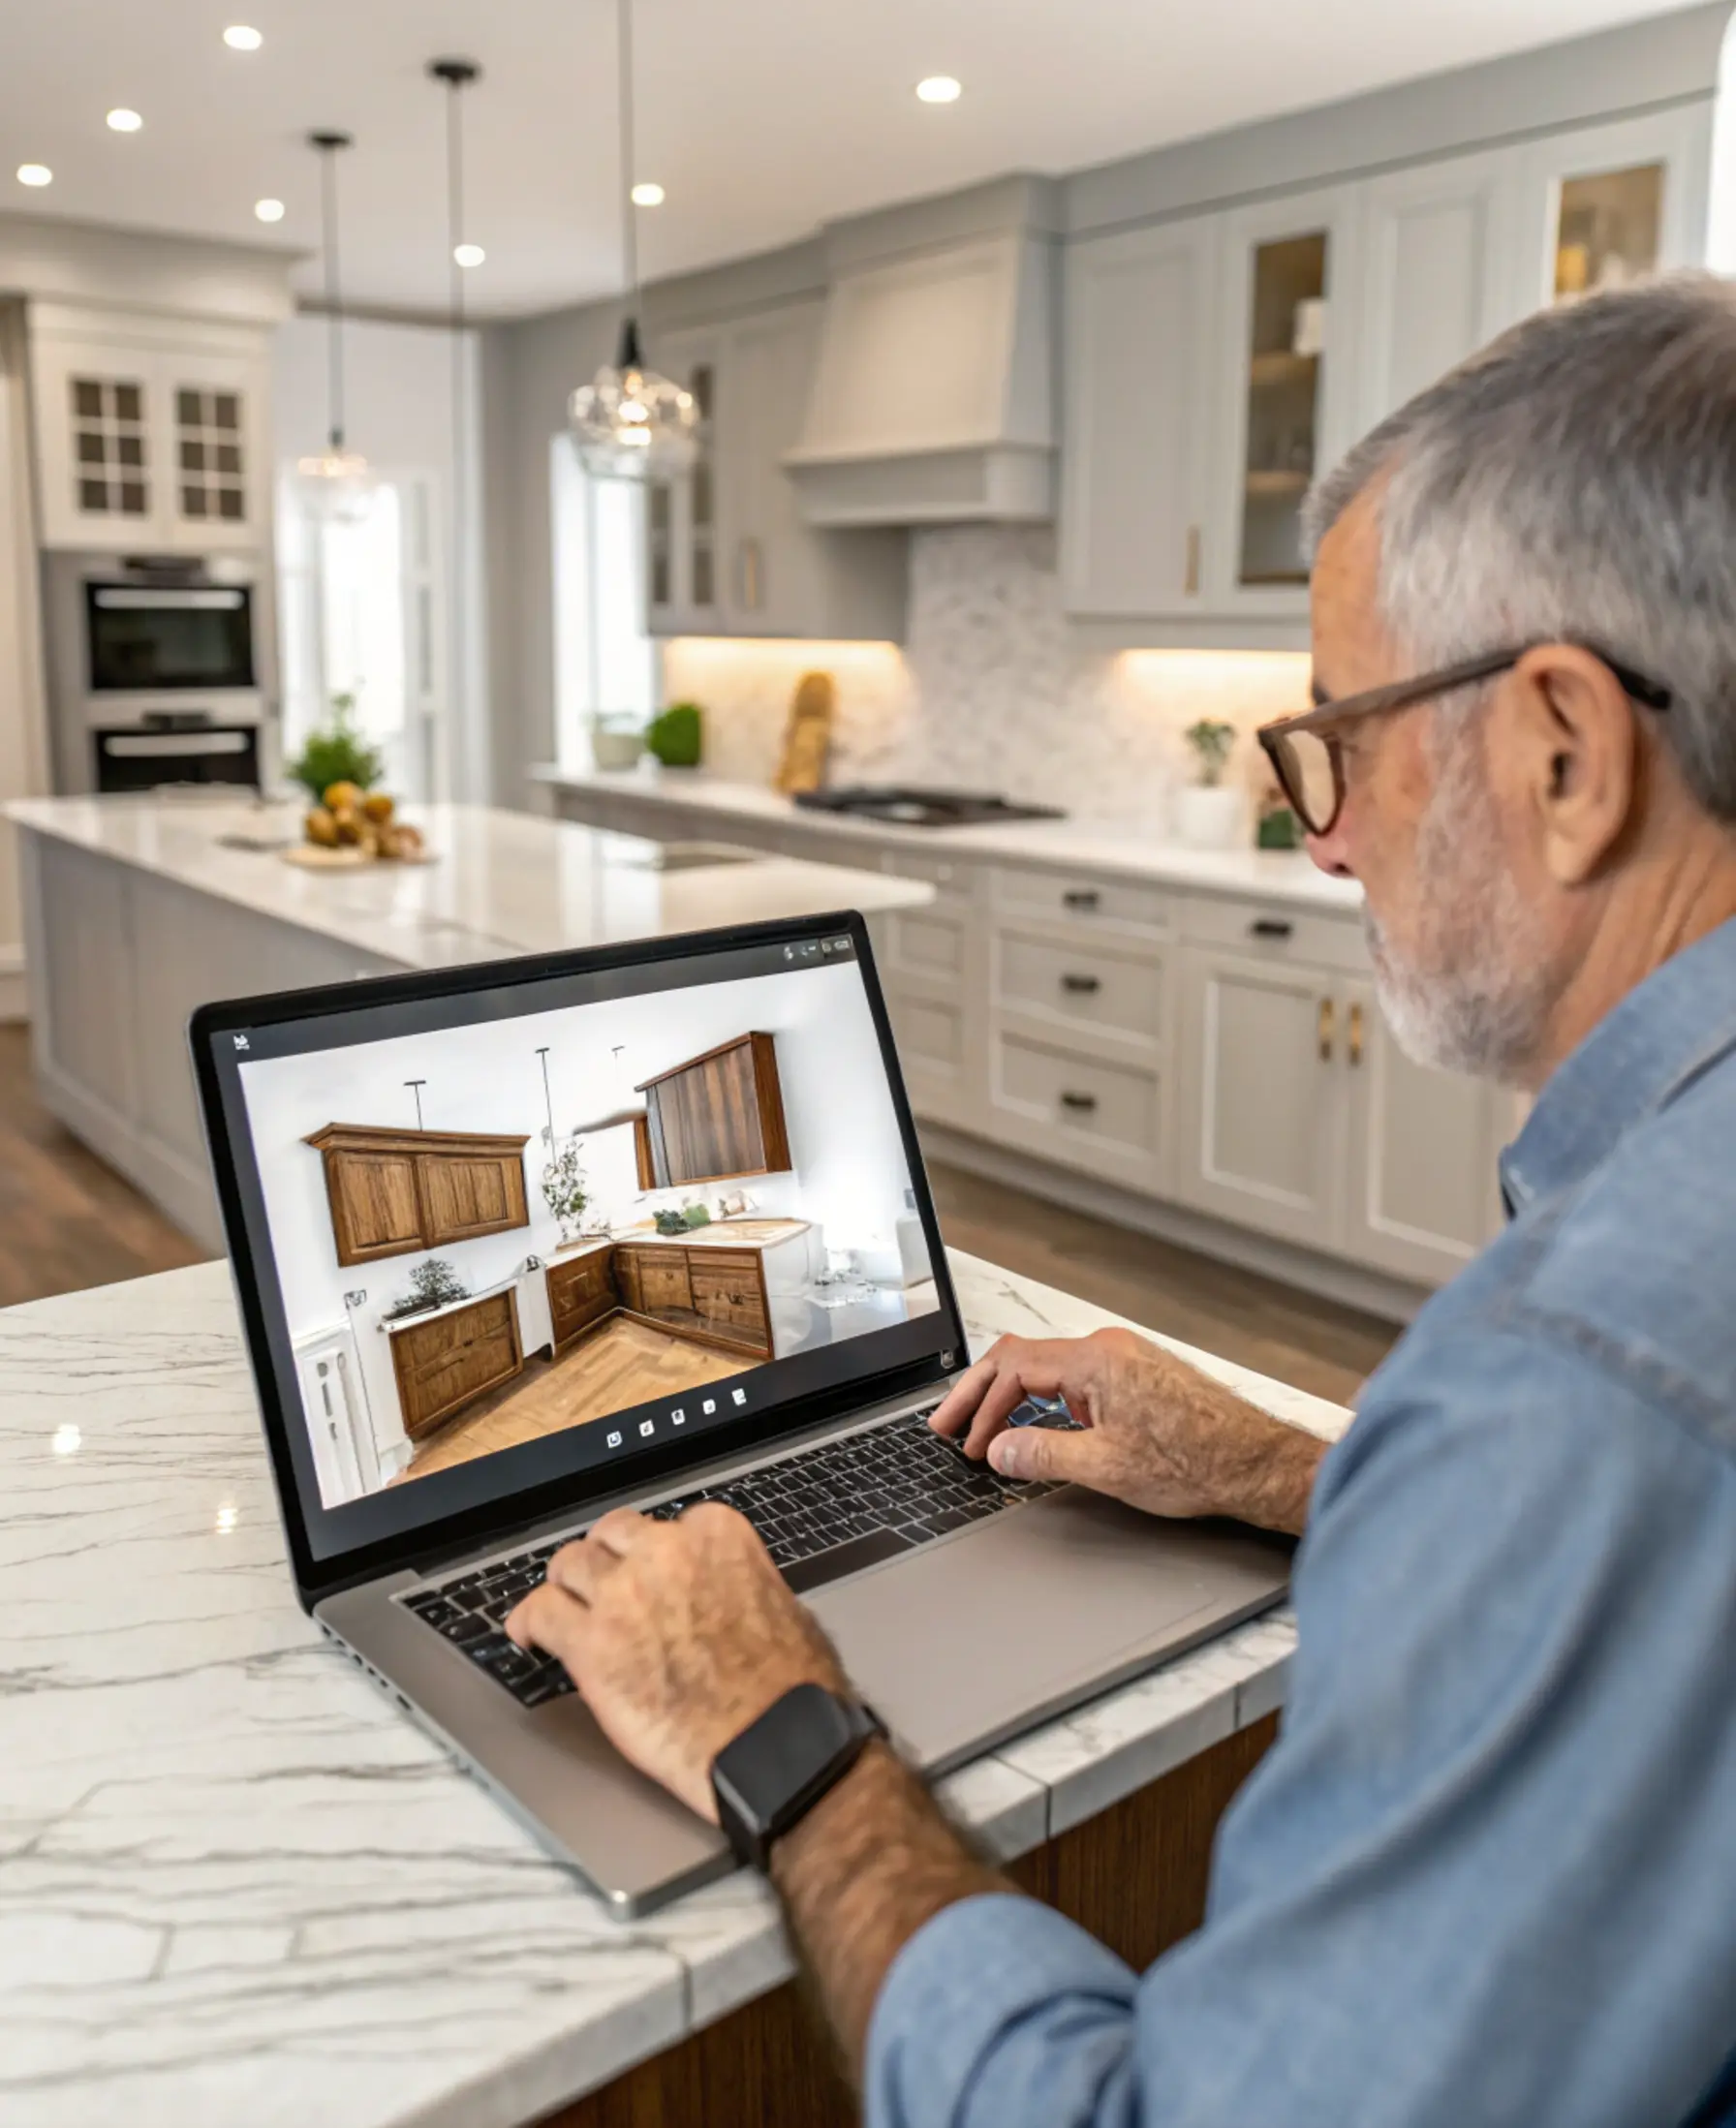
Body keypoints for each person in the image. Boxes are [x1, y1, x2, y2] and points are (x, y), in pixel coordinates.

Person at [511, 274, 1736, 2127]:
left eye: (1343, 738)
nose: (1319, 832)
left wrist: (779, 1728)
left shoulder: (1582, 1376)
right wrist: (1275, 1468)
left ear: (1564, 752)